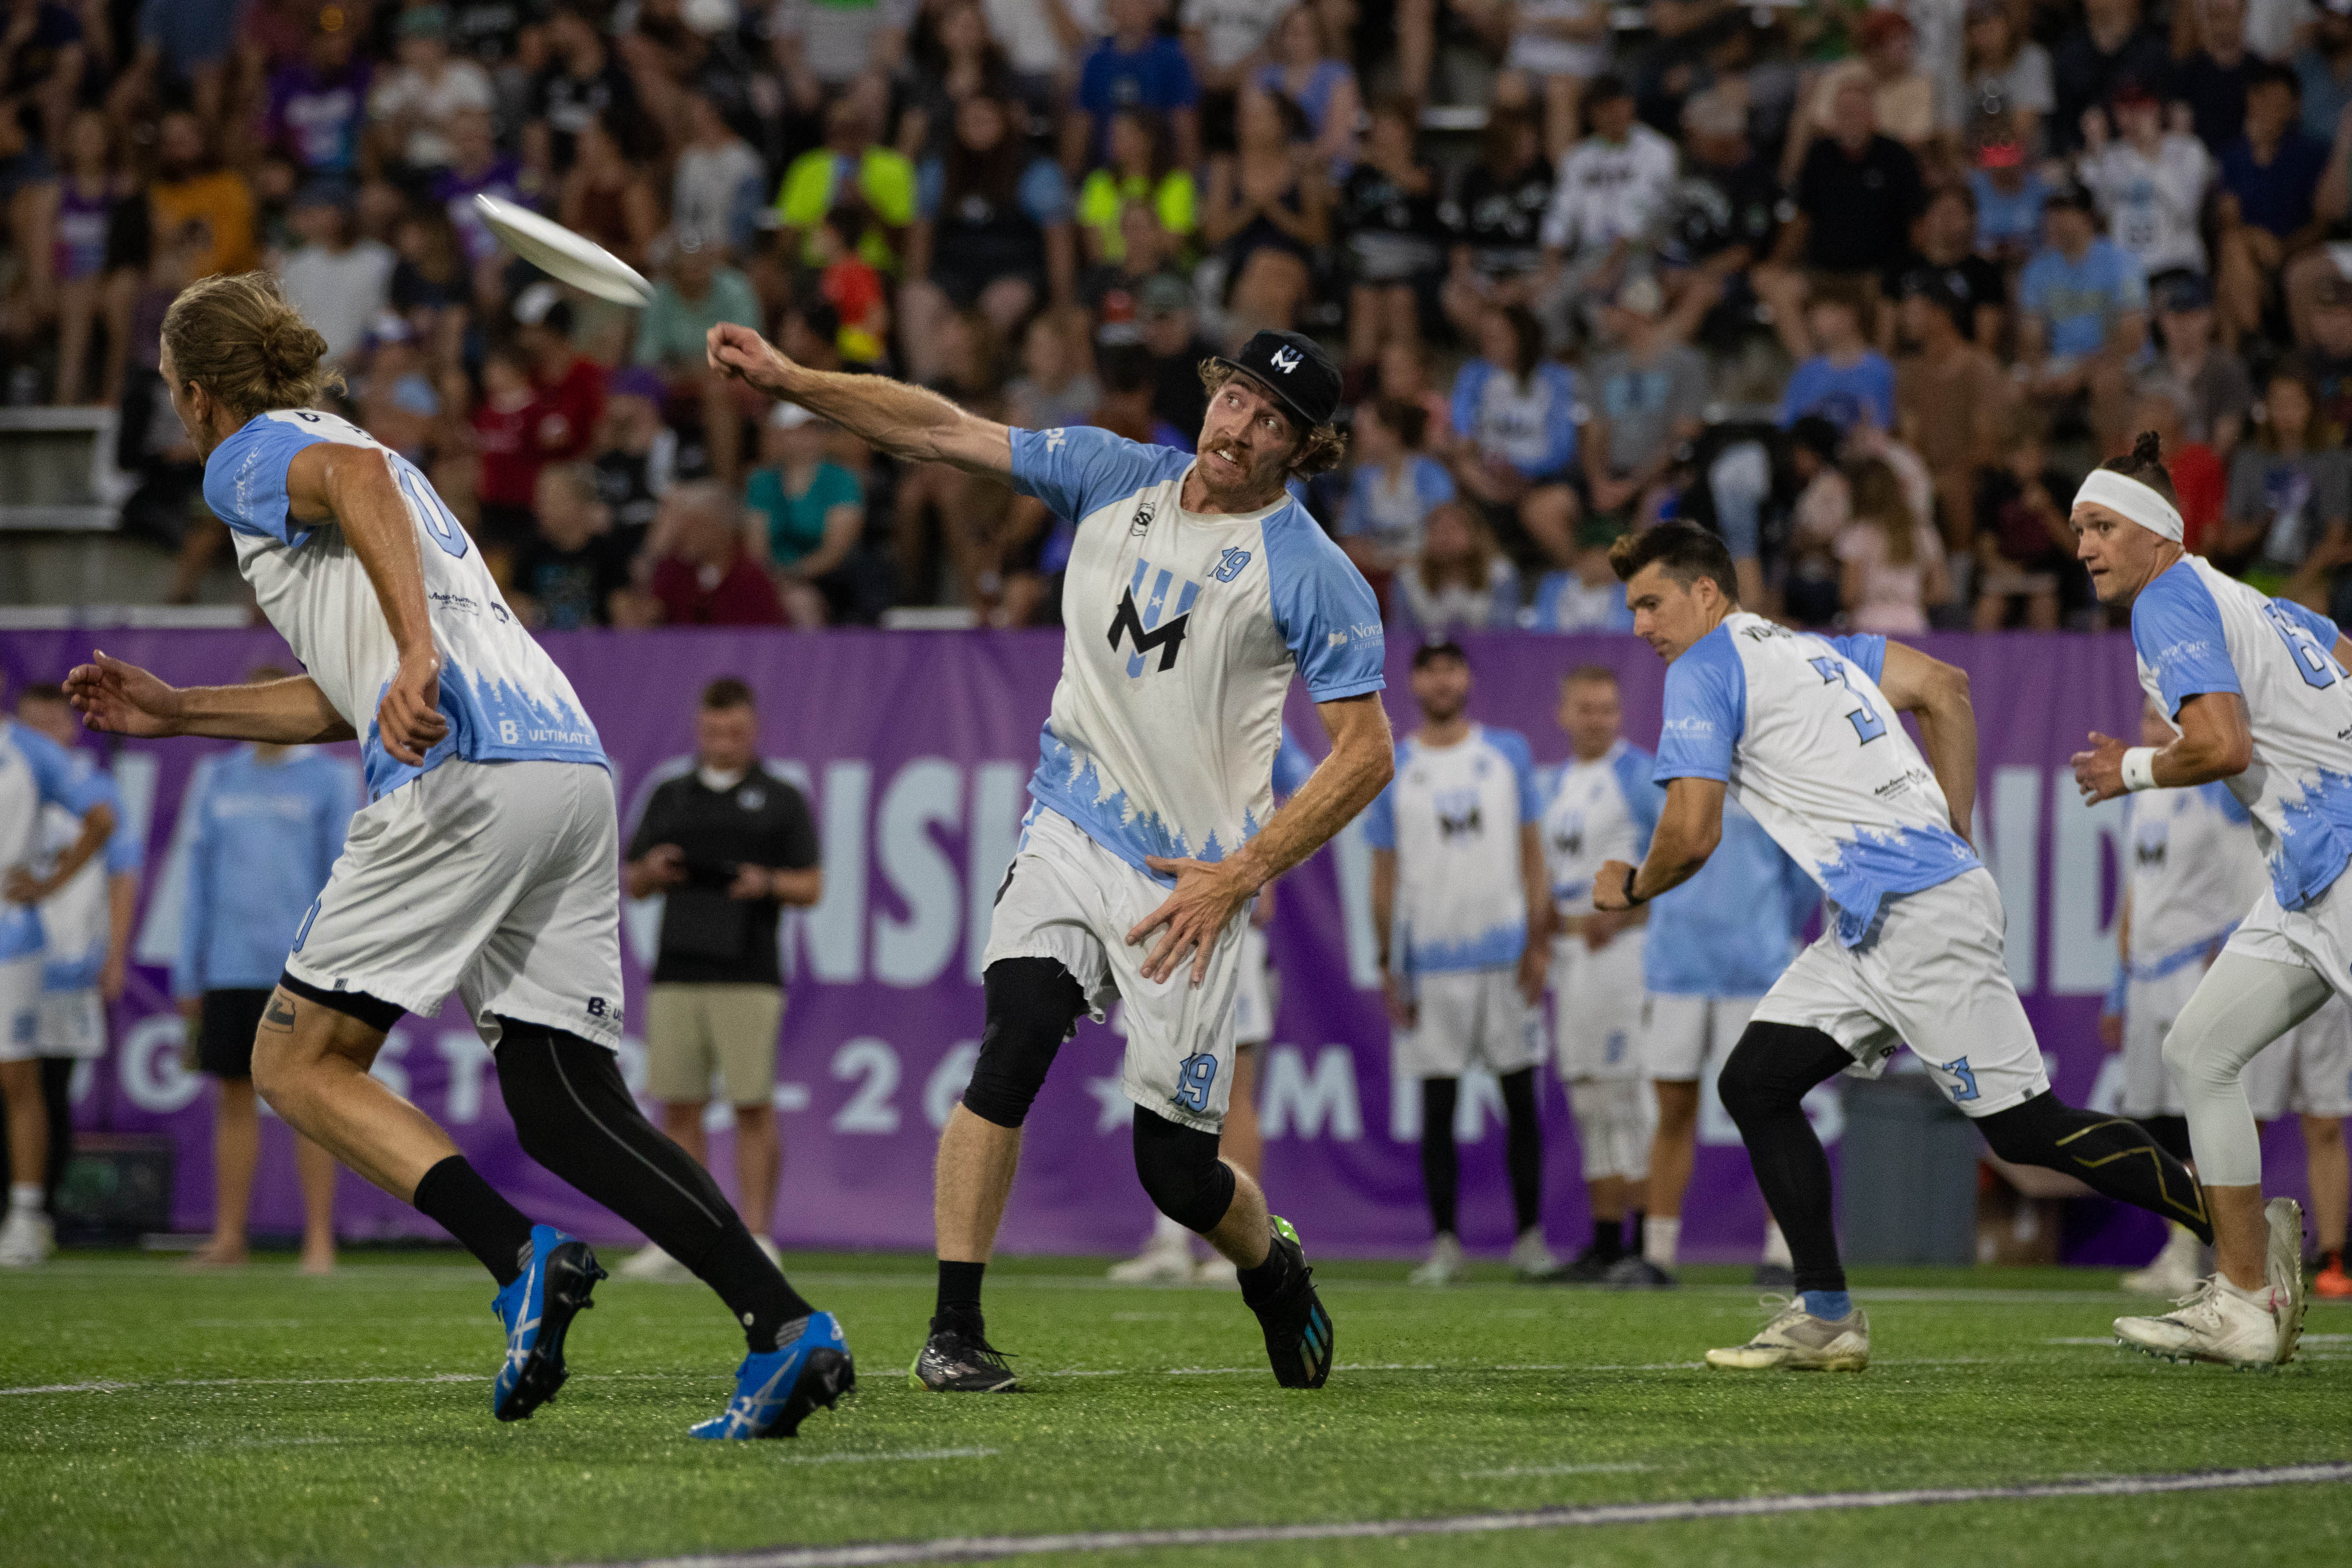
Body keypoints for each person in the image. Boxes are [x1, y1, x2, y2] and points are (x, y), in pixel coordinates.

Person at [66, 272, 853, 1437]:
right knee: (562, 1100)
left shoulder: (247, 455)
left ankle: (519, 1254)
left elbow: (362, 499)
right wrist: (184, 711)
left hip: (463, 774)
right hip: (564, 763)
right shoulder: (365, 454)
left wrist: (416, 657)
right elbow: (349, 682)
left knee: (293, 1061)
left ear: (195, 392)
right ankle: (784, 1327)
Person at [703, 316, 1391, 1392]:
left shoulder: (1310, 569)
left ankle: (1273, 1268)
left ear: (1306, 448)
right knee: (1013, 1037)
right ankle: (955, 1331)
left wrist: (1242, 873)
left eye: (1273, 422)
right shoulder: (1114, 473)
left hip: (1191, 881)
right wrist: (792, 380)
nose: (1240, 428)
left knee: (1175, 1172)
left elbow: (1368, 753)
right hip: (1072, 822)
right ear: (1211, 394)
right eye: (1236, 399)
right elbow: (939, 430)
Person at [1596, 521, 2212, 1371]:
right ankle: (1825, 1316)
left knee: (2027, 1131)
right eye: (1632, 609)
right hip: (1877, 916)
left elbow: (1692, 833)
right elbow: (1945, 687)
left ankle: (2242, 1232)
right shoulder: (1815, 650)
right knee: (1756, 1084)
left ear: (1706, 594)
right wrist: (1957, 829)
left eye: (1651, 603)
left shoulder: (1705, 667)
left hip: (1917, 916)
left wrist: (1632, 886)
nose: (1640, 626)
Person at [2070, 432, 2352, 1365]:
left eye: (2102, 526)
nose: (2085, 547)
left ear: (2157, 531)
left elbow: (2224, 745)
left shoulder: (2168, 600)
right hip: (2308, 873)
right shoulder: (2257, 603)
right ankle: (2245, 1299)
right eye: (2078, 530)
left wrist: (2130, 767)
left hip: (2341, 855)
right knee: (2201, 1050)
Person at [618, 679, 821, 1283]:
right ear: (699, 728)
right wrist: (653, 870)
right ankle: (686, 1236)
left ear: (753, 729)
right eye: (714, 731)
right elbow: (634, 881)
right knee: (678, 1103)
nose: (724, 741)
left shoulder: (780, 797)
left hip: (748, 972)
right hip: (678, 968)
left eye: (735, 731)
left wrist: (767, 882)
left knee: (751, 1102)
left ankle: (756, 1234)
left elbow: (811, 884)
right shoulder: (671, 794)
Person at [1366, 641, 1554, 1286]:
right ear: (1414, 683)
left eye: (1452, 670)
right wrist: (1389, 960)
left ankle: (1530, 1239)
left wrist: (1539, 941)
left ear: (1468, 679)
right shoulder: (1394, 764)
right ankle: (1445, 1242)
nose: (1442, 682)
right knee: (1438, 1107)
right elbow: (1383, 871)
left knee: (1521, 1101)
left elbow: (1533, 852)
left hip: (1506, 956)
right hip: (1431, 961)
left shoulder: (1507, 754)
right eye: (1431, 671)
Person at [1107, 729, 1315, 1285]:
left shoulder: (1257, 721)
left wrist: (1264, 865)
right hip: (1160, 910)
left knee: (1234, 1088)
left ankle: (1236, 1248)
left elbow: (1313, 788)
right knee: (1159, 1076)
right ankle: (1170, 1240)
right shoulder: (1146, 712)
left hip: (1230, 919)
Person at [169, 665, 355, 1273]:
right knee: (233, 1095)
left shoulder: (330, 779)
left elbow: (342, 876)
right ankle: (229, 1237)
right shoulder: (219, 777)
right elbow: (196, 880)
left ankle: (319, 1241)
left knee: (308, 1098)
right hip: (228, 964)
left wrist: (332, 963)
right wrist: (189, 971)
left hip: (301, 969)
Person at [2102, 698, 2270, 1298]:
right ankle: (2181, 1245)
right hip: (2145, 975)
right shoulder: (2139, 797)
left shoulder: (2216, 789)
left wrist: (2232, 942)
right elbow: (2135, 893)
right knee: (2156, 1124)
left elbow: (2245, 869)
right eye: (2145, 717)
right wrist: (2117, 990)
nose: (2150, 728)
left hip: (2193, 967)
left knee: (2195, 1111)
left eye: (2162, 718)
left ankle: (2205, 1251)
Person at [1617, 793, 1813, 1288]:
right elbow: (1648, 866)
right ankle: (1658, 1255)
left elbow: (1804, 876)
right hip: (1675, 968)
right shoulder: (1666, 784)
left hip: (1753, 972)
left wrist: (1766, 933)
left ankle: (1782, 1254)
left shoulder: (1771, 783)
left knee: (1768, 1111)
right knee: (1672, 1110)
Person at [1537, 664, 1657, 1283]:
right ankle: (1605, 1243)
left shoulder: (1639, 775)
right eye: (1585, 708)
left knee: (1626, 1093)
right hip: (1571, 953)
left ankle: (1644, 1244)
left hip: (1623, 954)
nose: (1597, 719)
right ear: (1563, 714)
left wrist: (1632, 907)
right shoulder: (1555, 783)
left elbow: (1680, 856)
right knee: (1588, 1095)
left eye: (1607, 708)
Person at [12, 686, 141, 1238]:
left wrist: (114, 955)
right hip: (12, 957)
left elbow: (122, 876)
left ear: (71, 728)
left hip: (65, 964)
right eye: (30, 726)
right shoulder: (12, 779)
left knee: (48, 1090)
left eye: (51, 725)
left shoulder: (94, 792)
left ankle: (36, 1211)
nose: (41, 737)